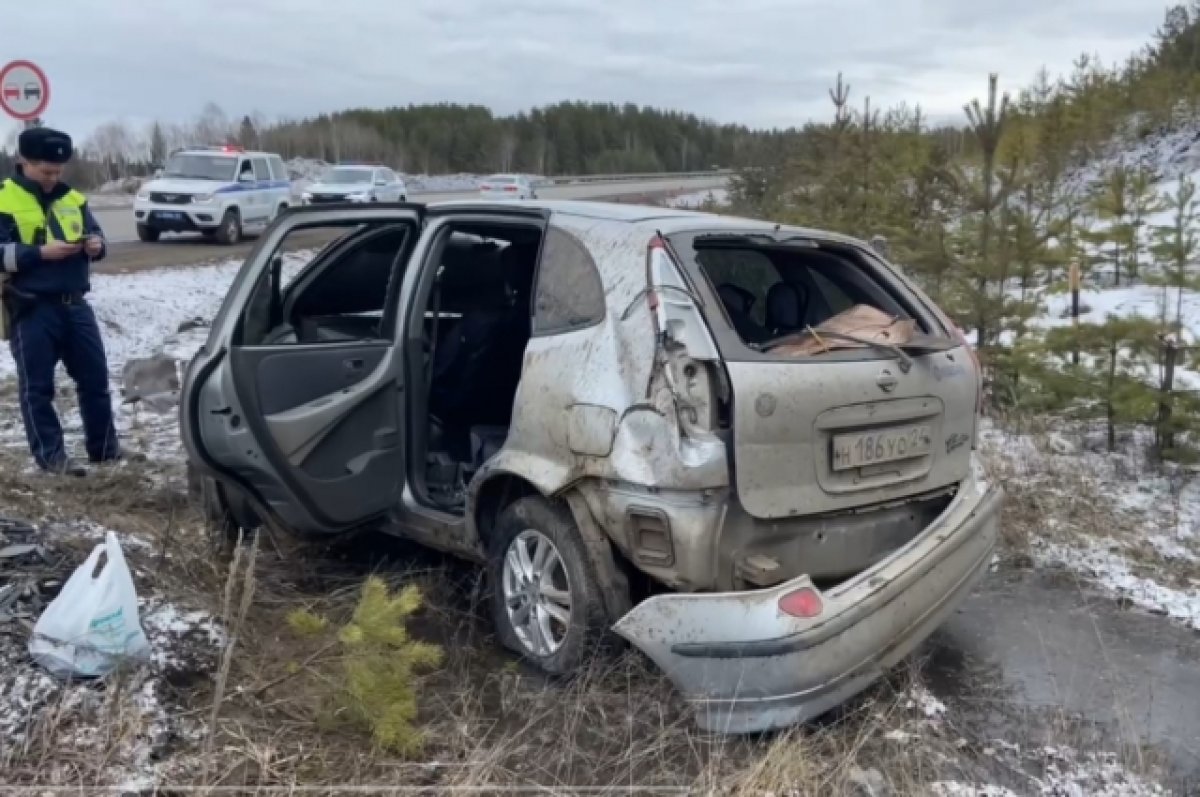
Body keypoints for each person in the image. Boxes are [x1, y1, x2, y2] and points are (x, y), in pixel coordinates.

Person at [0, 126, 120, 477]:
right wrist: (39, 253)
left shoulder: (73, 199)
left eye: (58, 171)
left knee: (95, 380)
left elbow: (97, 235)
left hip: (75, 303)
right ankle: (52, 459)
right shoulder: (4, 199)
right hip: (31, 305)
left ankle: (105, 452)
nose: (53, 178)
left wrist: (96, 245)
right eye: (45, 171)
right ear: (23, 161)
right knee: (37, 388)